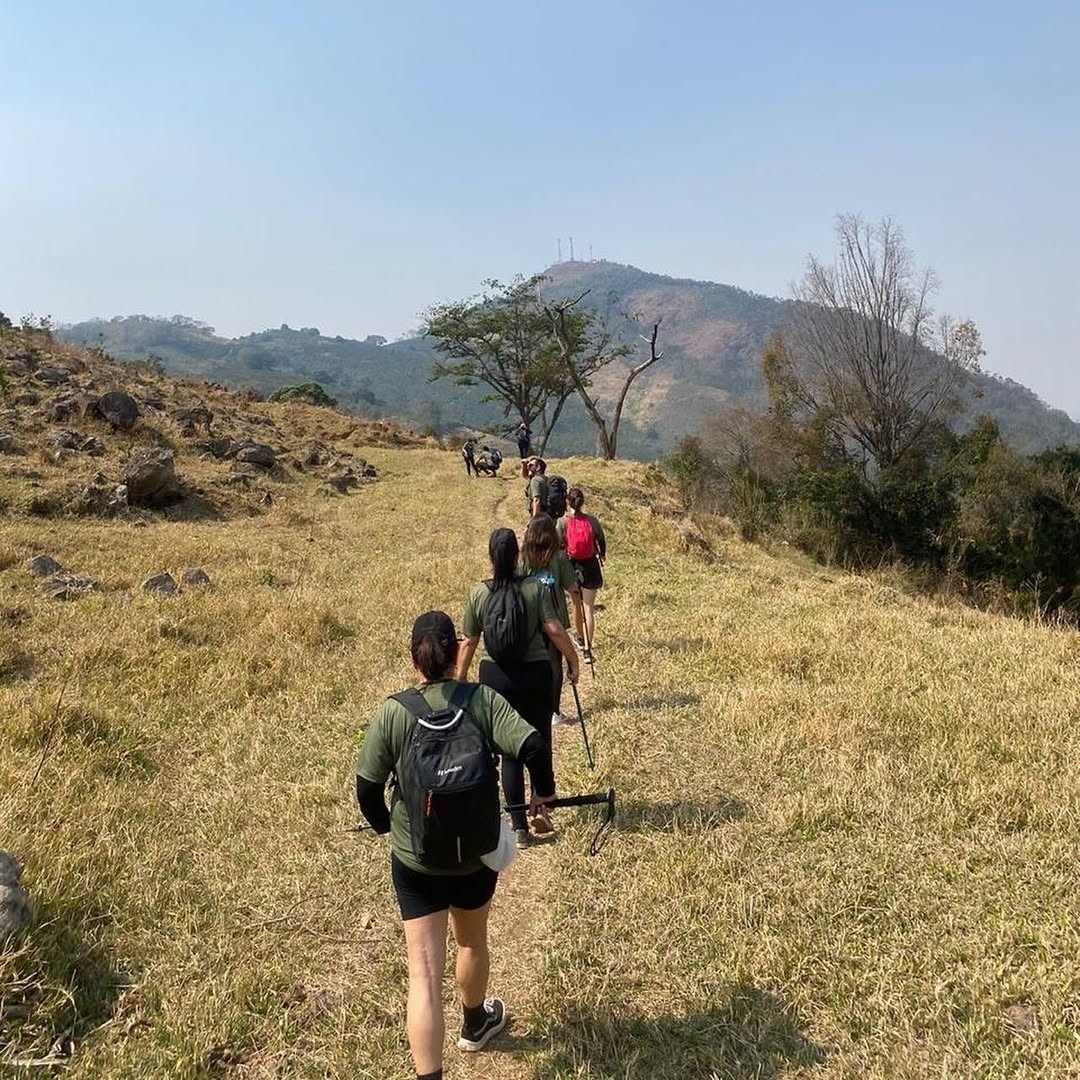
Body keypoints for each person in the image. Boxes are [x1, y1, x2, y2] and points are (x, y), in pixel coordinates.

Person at [356, 611, 557, 1080]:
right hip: (475, 857)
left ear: (415, 661)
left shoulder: (393, 712)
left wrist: (388, 827)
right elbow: (531, 745)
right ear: (455, 657)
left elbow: (367, 788)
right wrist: (540, 793)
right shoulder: (481, 701)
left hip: (415, 860)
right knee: (472, 940)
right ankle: (474, 1022)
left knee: (423, 975)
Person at [456, 528, 580, 846]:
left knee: (510, 751)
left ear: (490, 556)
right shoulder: (535, 588)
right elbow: (553, 628)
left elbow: (469, 641)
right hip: (535, 675)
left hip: (496, 678)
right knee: (539, 739)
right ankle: (542, 804)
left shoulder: (478, 594)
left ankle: (519, 826)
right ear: (517, 556)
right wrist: (573, 659)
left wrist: (459, 680)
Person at [521, 513, 580, 727]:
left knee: (531, 663)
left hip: (530, 621)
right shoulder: (559, 557)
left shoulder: (524, 557)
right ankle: (554, 711)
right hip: (554, 619)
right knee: (555, 666)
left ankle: (533, 706)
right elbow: (572, 586)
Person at [557, 487, 607, 665]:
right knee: (588, 608)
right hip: (591, 566)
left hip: (572, 566)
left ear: (567, 502)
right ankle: (588, 648)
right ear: (582, 502)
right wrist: (602, 555)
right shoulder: (592, 521)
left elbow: (558, 545)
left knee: (576, 605)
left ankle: (579, 636)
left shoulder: (562, 522)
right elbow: (601, 540)